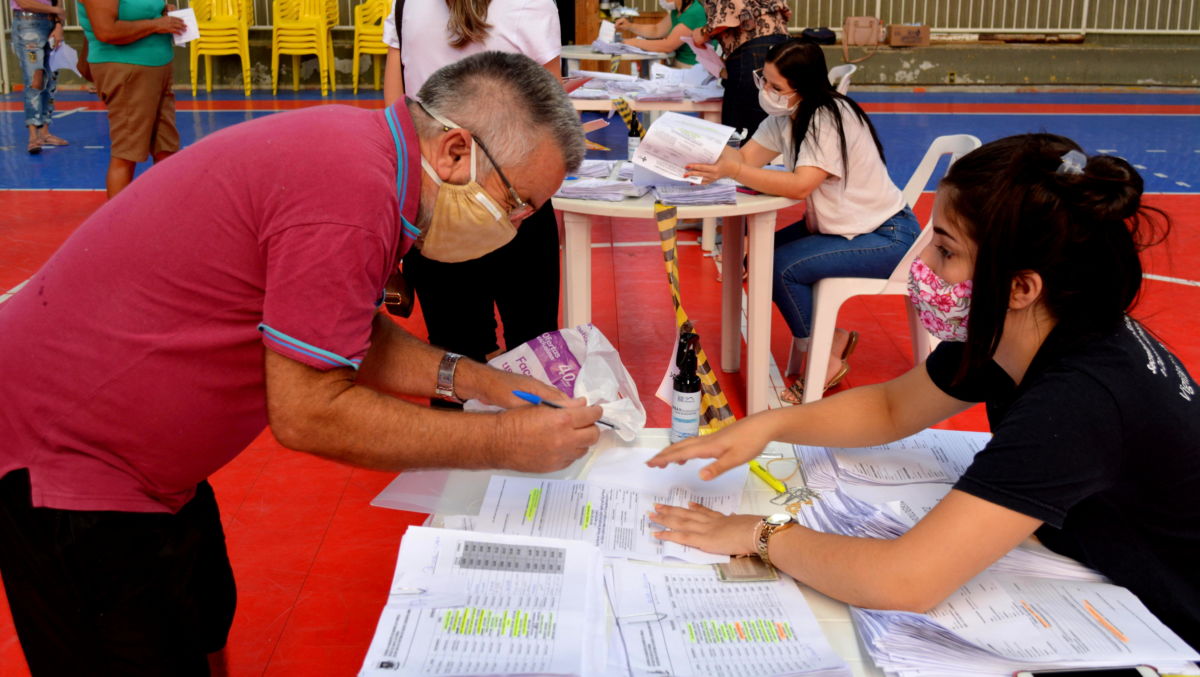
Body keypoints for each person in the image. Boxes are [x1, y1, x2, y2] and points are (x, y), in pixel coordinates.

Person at [0, 51, 601, 675]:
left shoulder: (368, 157)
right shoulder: (349, 194)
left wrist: (486, 382)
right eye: (518, 202)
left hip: (151, 467)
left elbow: (340, 325)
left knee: (202, 623)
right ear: (455, 152)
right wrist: (506, 440)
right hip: (70, 462)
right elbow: (310, 412)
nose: (516, 224)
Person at [650, 133, 1200, 648]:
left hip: (1168, 623)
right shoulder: (1031, 328)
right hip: (1093, 558)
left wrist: (759, 533)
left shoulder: (1080, 399)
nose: (924, 266)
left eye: (945, 249)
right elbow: (892, 407)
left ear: (1021, 286)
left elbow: (906, 580)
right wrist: (768, 425)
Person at [685, 39, 919, 402]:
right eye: (765, 80)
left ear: (803, 88)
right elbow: (745, 158)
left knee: (781, 267)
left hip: (886, 235)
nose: (766, 91)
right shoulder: (785, 117)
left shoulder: (828, 117)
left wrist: (734, 170)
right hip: (846, 229)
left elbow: (800, 186)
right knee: (757, 258)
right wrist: (690, 153)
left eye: (777, 87)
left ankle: (824, 353)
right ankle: (831, 338)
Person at [382, 0, 564, 405]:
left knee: (450, 358)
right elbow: (551, 118)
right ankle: (530, 455)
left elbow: (395, 116)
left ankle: (455, 460)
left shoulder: (404, 3)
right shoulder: (532, 3)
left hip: (435, 197)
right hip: (516, 196)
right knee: (533, 348)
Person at [78, 0, 185, 197]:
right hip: (125, 69)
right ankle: (117, 224)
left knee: (166, 148)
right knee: (126, 153)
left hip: (156, 66)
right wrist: (156, 24)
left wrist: (163, 13)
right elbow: (106, 31)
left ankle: (165, 213)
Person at [692, 0, 790, 138]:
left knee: (739, 131)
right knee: (765, 123)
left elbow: (730, 13)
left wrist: (703, 32)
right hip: (780, 43)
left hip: (752, 47)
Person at [10, 0, 68, 153]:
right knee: (34, 80)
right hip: (27, 23)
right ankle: (33, 136)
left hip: (49, 23)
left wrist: (58, 25)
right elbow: (24, 3)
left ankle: (44, 133)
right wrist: (55, 10)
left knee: (51, 78)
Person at [615, 0, 707, 67]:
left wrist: (635, 43)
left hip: (693, 68)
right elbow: (657, 30)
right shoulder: (677, 11)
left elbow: (668, 45)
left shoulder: (694, 12)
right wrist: (629, 26)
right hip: (681, 65)